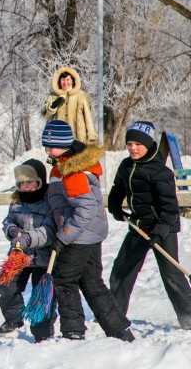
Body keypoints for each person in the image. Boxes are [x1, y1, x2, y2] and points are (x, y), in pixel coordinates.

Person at [42, 120, 134, 342]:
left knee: (64, 280)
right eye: (46, 145)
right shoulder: (64, 166)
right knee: (91, 282)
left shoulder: (72, 171)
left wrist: (63, 237)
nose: (47, 150)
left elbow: (85, 210)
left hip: (79, 235)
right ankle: (119, 330)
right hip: (89, 233)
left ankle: (73, 331)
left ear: (64, 146)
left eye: (51, 146)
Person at [108, 121, 191, 330]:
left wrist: (158, 233)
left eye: (137, 144)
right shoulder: (126, 165)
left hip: (162, 227)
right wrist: (114, 206)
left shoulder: (161, 173)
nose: (132, 148)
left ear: (149, 145)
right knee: (121, 270)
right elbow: (118, 187)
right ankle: (113, 316)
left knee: (171, 274)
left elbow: (170, 210)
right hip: (138, 225)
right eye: (129, 143)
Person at [0, 158, 57, 342]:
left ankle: (42, 331)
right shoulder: (16, 202)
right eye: (21, 183)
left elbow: (49, 230)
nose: (25, 187)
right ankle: (13, 319)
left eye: (30, 182)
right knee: (6, 285)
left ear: (39, 181)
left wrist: (27, 238)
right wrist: (12, 230)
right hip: (19, 255)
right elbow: (8, 221)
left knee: (42, 295)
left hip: (44, 257)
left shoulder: (49, 202)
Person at [41, 67, 97, 144]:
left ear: (73, 81)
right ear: (59, 81)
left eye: (68, 79)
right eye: (63, 80)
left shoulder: (80, 95)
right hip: (59, 137)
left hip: (78, 137)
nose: (65, 82)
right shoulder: (53, 96)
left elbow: (87, 116)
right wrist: (53, 105)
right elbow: (45, 115)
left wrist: (91, 134)